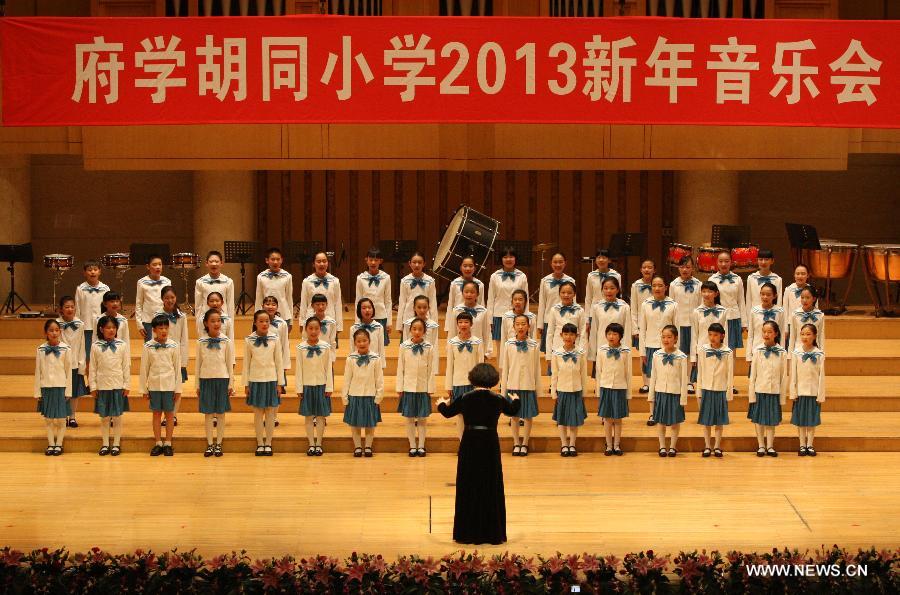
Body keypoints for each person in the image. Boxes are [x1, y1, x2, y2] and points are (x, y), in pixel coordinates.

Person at [437, 363, 520, 545]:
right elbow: (513, 410)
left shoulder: (465, 398)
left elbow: (447, 412)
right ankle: (491, 533)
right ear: (493, 380)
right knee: (490, 483)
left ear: (472, 378)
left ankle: (467, 533)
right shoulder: (497, 399)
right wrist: (516, 399)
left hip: (470, 442)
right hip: (490, 442)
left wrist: (441, 404)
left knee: (469, 483)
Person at [243, 310, 284, 456]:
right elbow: (246, 363)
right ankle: (260, 443)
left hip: (271, 380)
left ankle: (269, 443)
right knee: (258, 414)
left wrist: (280, 383)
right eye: (261, 321)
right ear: (255, 323)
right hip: (255, 380)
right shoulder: (249, 340)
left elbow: (279, 362)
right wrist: (246, 384)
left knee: (271, 414)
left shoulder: (275, 338)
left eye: (267, 321)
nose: (264, 323)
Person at [139, 314, 181, 457]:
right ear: (154, 330)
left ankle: (168, 443)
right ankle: (158, 442)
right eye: (160, 328)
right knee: (156, 414)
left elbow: (177, 369)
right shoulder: (148, 346)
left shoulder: (174, 346)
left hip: (169, 386)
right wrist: (144, 389)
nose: (163, 330)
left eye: (166, 328)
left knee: (169, 415)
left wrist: (178, 389)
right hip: (155, 385)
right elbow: (144, 368)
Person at [499, 315, 541, 456]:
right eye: (518, 324)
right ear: (513, 327)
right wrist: (503, 389)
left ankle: (525, 443)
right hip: (513, 384)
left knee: (528, 416)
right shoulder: (508, 344)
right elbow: (506, 367)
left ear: (529, 326)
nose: (521, 327)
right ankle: (516, 442)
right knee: (514, 416)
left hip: (528, 385)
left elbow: (537, 369)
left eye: (524, 324)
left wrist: (538, 390)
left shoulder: (534, 345)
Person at [90, 315, 129, 456]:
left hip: (118, 385)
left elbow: (126, 366)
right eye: (108, 328)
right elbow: (93, 368)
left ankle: (116, 444)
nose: (111, 330)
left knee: (117, 417)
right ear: (101, 329)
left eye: (113, 327)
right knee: (105, 417)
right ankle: (105, 443)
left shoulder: (122, 345)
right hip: (102, 386)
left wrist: (126, 384)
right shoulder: (95, 346)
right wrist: (93, 386)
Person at [638, 276, 677, 422]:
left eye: (660, 285)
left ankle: (666, 412)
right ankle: (653, 413)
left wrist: (675, 349)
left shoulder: (673, 304)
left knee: (666, 380)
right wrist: (642, 351)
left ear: (665, 287)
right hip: (650, 346)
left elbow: (676, 327)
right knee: (652, 382)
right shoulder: (645, 304)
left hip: (668, 348)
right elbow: (643, 329)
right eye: (654, 285)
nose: (657, 288)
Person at [747, 321, 788, 457]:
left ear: (776, 334)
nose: (766, 334)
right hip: (760, 390)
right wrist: (752, 395)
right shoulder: (757, 350)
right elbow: (753, 375)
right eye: (764, 331)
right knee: (759, 420)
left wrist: (782, 396)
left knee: (771, 420)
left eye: (769, 332)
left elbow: (783, 376)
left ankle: (770, 445)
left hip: (774, 391)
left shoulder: (782, 352)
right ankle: (761, 445)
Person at [197, 310, 234, 457]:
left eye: (219, 320)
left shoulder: (226, 341)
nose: (216, 323)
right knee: (208, 414)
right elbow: (198, 365)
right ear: (206, 323)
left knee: (220, 414)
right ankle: (209, 443)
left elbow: (229, 363)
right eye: (212, 321)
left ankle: (219, 443)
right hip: (206, 379)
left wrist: (231, 384)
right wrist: (197, 385)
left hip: (222, 379)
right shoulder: (201, 342)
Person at [648, 325, 689, 457]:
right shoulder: (656, 355)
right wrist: (651, 396)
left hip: (675, 392)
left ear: (675, 338)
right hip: (660, 392)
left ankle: (672, 446)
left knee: (675, 421)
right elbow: (653, 376)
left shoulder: (681, 356)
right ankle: (662, 446)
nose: (666, 339)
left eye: (669, 337)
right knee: (660, 421)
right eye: (664, 337)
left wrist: (683, 398)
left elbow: (684, 379)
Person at [397, 318, 435, 457]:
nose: (417, 332)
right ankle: (412, 446)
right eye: (414, 329)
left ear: (424, 331)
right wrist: (399, 387)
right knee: (409, 418)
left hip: (423, 388)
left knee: (422, 418)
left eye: (420, 329)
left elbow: (431, 369)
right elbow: (400, 367)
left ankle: (421, 445)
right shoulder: (404, 346)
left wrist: (430, 388)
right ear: (410, 330)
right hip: (408, 387)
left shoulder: (429, 347)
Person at [343, 328, 384, 458]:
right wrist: (345, 397)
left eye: (364, 340)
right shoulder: (350, 359)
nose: (362, 343)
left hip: (370, 396)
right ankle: (357, 447)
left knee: (369, 423)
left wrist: (378, 397)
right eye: (359, 341)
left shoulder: (376, 358)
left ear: (369, 341)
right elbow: (347, 378)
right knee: (355, 424)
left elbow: (379, 379)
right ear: (355, 343)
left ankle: (368, 446)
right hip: (354, 395)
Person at [296, 317, 334, 456]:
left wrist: (329, 387)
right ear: (306, 329)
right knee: (308, 416)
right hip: (306, 386)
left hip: (321, 386)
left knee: (320, 417)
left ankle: (319, 443)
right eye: (310, 328)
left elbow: (328, 368)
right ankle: (311, 443)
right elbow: (299, 369)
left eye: (316, 328)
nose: (313, 331)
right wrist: (299, 388)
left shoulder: (325, 347)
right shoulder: (300, 347)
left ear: (320, 330)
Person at [34, 319, 73, 456]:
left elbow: (69, 371)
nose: (54, 333)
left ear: (60, 332)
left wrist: (68, 391)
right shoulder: (40, 349)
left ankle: (59, 444)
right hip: (46, 388)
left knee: (62, 419)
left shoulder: (66, 349)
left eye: (57, 330)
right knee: (49, 419)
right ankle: (51, 444)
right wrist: (38, 391)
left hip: (61, 387)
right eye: (51, 330)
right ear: (46, 332)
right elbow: (38, 371)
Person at [550, 323, 589, 457]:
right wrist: (554, 392)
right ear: (561, 335)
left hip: (576, 390)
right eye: (566, 334)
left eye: (572, 334)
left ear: (576, 336)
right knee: (562, 420)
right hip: (562, 390)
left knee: (573, 419)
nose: (568, 336)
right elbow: (554, 374)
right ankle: (564, 444)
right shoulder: (557, 353)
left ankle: (572, 444)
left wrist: (584, 392)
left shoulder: (581, 353)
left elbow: (583, 374)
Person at [696, 323, 733, 458]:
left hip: (720, 389)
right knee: (706, 421)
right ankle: (707, 446)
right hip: (706, 388)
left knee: (718, 420)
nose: (712, 337)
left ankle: (717, 446)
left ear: (722, 336)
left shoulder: (728, 351)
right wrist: (698, 391)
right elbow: (700, 371)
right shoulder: (703, 350)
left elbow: (729, 373)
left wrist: (728, 393)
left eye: (715, 335)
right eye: (710, 334)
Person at [445, 312, 485, 439]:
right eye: (460, 322)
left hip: (474, 385)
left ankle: (473, 442)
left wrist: (482, 385)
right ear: (457, 324)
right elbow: (449, 365)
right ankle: (462, 442)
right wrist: (449, 386)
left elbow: (481, 365)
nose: (463, 325)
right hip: (458, 383)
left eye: (466, 322)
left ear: (471, 324)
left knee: (475, 414)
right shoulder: (452, 342)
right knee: (460, 415)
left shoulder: (478, 342)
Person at [790, 323, 826, 457]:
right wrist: (793, 392)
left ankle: (810, 444)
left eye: (808, 334)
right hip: (800, 392)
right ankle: (801, 444)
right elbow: (793, 374)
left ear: (815, 336)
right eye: (803, 334)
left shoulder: (819, 354)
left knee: (811, 420)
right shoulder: (796, 353)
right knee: (800, 421)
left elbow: (822, 376)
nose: (805, 337)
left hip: (813, 392)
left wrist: (820, 395)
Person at [596, 322, 631, 456]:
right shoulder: (601, 350)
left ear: (620, 336)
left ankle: (617, 445)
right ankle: (608, 445)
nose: (611, 336)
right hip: (606, 387)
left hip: (620, 388)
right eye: (609, 333)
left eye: (615, 334)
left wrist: (628, 394)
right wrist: (599, 391)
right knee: (608, 419)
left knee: (618, 419)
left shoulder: (626, 351)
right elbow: (599, 372)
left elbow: (628, 373)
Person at [157, 286, 188, 428]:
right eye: (167, 298)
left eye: (172, 297)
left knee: (177, 387)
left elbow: (184, 339)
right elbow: (154, 338)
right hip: (162, 355)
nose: (170, 300)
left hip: (177, 356)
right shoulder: (157, 315)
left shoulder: (182, 316)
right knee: (164, 387)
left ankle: (173, 415)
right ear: (162, 299)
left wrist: (183, 361)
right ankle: (165, 414)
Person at [668, 256, 701, 393]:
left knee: (690, 353)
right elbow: (671, 305)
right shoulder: (673, 285)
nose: (685, 270)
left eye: (688, 267)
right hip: (678, 324)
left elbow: (700, 305)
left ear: (692, 268)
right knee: (679, 352)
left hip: (693, 324)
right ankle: (677, 380)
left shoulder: (698, 284)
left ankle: (688, 381)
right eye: (682, 267)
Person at [486, 247, 528, 346]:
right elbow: (490, 299)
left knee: (516, 346)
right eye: (505, 257)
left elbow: (526, 299)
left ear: (515, 258)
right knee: (501, 348)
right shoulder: (494, 276)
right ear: (501, 259)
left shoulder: (522, 276)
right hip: (499, 316)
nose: (508, 259)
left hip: (517, 317)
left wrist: (526, 317)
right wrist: (489, 320)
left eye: (511, 257)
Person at [56, 296, 87, 429]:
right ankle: (63, 416)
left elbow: (82, 345)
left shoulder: (80, 324)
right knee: (63, 391)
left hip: (75, 363)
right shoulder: (56, 324)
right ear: (61, 310)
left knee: (74, 393)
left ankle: (73, 416)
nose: (70, 309)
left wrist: (82, 364)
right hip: (60, 364)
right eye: (67, 307)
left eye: (72, 307)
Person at [536, 252, 575, 354]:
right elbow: (542, 303)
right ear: (551, 263)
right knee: (550, 351)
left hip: (566, 320)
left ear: (565, 263)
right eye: (555, 262)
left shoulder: (571, 281)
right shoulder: (545, 281)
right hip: (549, 320)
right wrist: (540, 325)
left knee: (566, 351)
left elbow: (573, 304)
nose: (558, 265)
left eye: (560, 262)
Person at [587, 277, 632, 365]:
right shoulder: (597, 307)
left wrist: (626, 350)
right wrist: (593, 353)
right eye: (606, 288)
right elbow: (594, 332)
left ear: (618, 290)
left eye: (612, 288)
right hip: (602, 348)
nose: (609, 291)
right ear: (602, 290)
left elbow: (627, 331)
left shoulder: (624, 307)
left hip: (619, 348)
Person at [298, 252, 344, 338]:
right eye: (318, 261)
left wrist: (338, 325)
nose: (321, 264)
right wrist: (302, 323)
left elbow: (338, 304)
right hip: (311, 322)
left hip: (329, 321)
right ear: (313, 264)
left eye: (324, 261)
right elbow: (304, 303)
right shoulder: (307, 281)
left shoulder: (335, 281)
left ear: (328, 263)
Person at [74, 259, 109, 367]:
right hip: (86, 327)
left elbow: (107, 308)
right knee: (88, 355)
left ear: (100, 272)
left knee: (101, 353)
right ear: (84, 273)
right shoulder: (80, 289)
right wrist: (78, 325)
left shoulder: (105, 288)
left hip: (101, 327)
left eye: (95, 269)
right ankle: (90, 381)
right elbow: (77, 308)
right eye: (89, 270)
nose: (92, 272)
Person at [709, 251, 746, 352]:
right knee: (717, 349)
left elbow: (741, 301)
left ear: (731, 262)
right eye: (721, 261)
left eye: (726, 261)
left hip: (734, 318)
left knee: (731, 351)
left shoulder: (737, 279)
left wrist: (744, 323)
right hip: (718, 317)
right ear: (717, 263)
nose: (723, 264)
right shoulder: (712, 279)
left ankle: (731, 368)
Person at [354, 247, 392, 344]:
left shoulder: (386, 278)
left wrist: (389, 322)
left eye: (376, 260)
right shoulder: (361, 278)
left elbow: (388, 301)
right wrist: (357, 321)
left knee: (380, 347)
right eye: (371, 260)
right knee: (364, 344)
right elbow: (358, 301)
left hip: (381, 316)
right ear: (366, 260)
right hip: (365, 317)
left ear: (381, 261)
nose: (373, 263)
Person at [446, 281, 492, 358]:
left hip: (477, 349)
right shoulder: (456, 310)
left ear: (477, 294)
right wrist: (449, 349)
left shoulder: (483, 311)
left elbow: (486, 332)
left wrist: (487, 352)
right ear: (462, 293)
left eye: (472, 292)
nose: (469, 294)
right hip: (459, 349)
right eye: (466, 292)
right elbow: (452, 332)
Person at [194, 250, 235, 336]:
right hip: (206, 320)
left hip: (222, 320)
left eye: (216, 261)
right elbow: (198, 306)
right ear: (206, 263)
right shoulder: (200, 282)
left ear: (221, 263)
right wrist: (199, 324)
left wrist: (230, 325)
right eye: (211, 261)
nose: (214, 264)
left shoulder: (228, 281)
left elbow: (230, 305)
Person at [254, 247, 293, 332]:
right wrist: (256, 318)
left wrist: (291, 321)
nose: (275, 262)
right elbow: (259, 299)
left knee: (283, 343)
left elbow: (289, 299)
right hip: (266, 316)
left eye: (278, 259)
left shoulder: (287, 276)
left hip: (284, 315)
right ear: (267, 260)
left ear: (281, 260)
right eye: (272, 259)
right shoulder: (261, 277)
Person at [396, 252, 438, 328]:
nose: (417, 265)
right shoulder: (405, 281)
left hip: (425, 317)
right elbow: (402, 302)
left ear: (424, 264)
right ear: (410, 263)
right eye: (414, 262)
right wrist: (399, 324)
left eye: (419, 262)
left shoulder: (430, 281)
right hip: (408, 318)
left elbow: (433, 303)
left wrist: (434, 323)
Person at [135, 254, 171, 340]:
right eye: (154, 265)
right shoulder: (141, 282)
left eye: (160, 264)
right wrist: (139, 324)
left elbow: (170, 302)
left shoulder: (167, 281)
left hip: (164, 319)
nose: (158, 267)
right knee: (150, 348)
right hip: (148, 320)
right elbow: (139, 303)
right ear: (148, 266)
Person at [583, 248, 622, 322]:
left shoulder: (616, 275)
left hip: (612, 311)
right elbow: (588, 297)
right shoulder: (591, 276)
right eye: (598, 258)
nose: (601, 260)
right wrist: (587, 318)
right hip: (594, 313)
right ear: (595, 260)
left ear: (609, 260)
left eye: (604, 258)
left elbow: (619, 295)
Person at [788, 286, 825, 355]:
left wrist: (821, 354)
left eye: (807, 298)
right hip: (798, 352)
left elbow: (821, 336)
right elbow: (792, 336)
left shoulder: (820, 315)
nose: (804, 300)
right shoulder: (795, 314)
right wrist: (790, 355)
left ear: (814, 299)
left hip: (814, 352)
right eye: (802, 297)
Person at [629, 259, 655, 349]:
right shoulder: (636, 285)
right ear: (641, 270)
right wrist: (635, 329)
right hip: (640, 325)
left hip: (654, 325)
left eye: (650, 267)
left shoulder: (657, 285)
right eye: (644, 267)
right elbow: (633, 308)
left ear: (654, 270)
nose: (647, 270)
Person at [351, 298, 385, 367]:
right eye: (364, 308)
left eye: (369, 307)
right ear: (359, 310)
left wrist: (382, 366)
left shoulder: (378, 327)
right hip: (359, 364)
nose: (367, 310)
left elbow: (381, 348)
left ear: (373, 309)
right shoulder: (354, 328)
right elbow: (352, 348)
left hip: (374, 364)